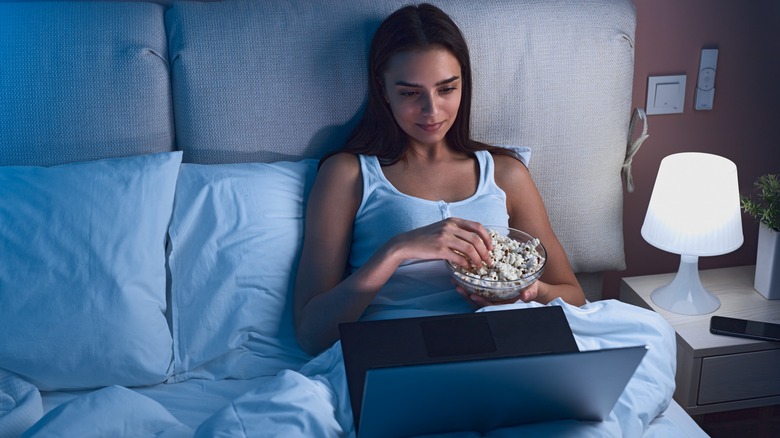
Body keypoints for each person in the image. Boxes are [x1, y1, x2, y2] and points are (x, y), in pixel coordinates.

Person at [293, 3, 585, 357]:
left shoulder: (505, 173)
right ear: (383, 91)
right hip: (395, 351)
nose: (432, 111)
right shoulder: (349, 174)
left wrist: (531, 292)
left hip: (497, 345)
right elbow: (311, 333)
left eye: (447, 89)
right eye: (410, 93)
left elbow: (575, 296)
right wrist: (397, 250)